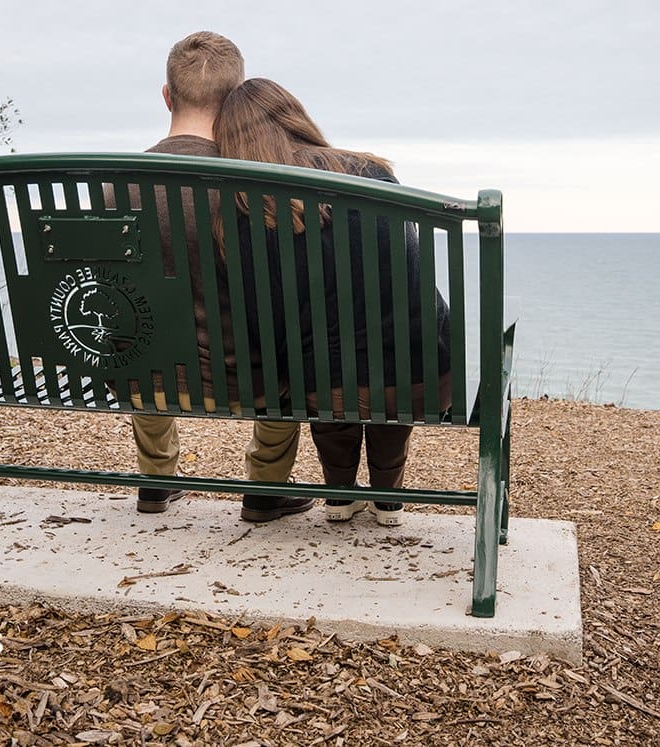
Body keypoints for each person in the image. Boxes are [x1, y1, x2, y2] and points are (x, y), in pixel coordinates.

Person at [213, 77, 452, 526]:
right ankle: (387, 497)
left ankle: (340, 494)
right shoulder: (370, 173)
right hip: (423, 378)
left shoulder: (243, 210)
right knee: (390, 348)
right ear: (296, 117)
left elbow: (267, 319)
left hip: (325, 387)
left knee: (323, 359)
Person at [132, 34, 313, 523]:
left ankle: (156, 480)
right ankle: (264, 489)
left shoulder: (116, 182)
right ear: (235, 102)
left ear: (167, 95)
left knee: (141, 337)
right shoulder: (265, 188)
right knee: (292, 350)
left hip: (147, 381)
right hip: (252, 383)